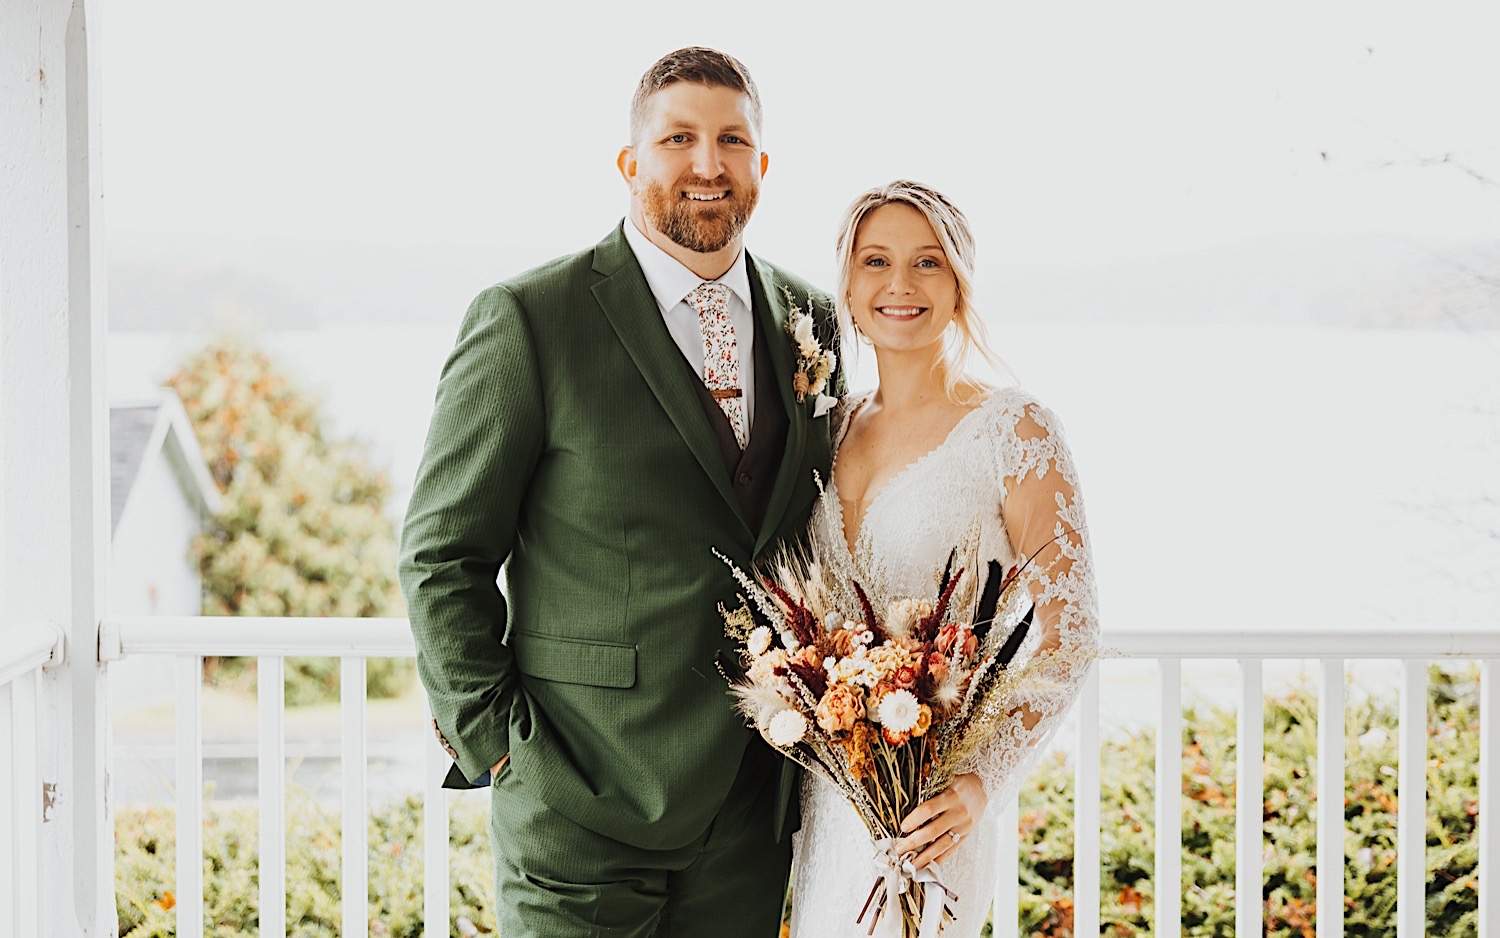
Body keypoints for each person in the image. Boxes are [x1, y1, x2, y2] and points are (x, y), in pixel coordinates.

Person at [398, 46, 844, 937]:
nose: (708, 164)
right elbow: (441, 553)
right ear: (630, 163)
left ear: (761, 165)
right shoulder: (531, 319)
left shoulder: (813, 319)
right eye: (679, 137)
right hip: (580, 803)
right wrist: (498, 748)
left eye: (732, 141)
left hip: (753, 808)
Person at [788, 181, 1100, 936]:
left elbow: (1072, 631)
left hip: (935, 813)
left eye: (927, 262)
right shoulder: (822, 430)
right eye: (876, 261)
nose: (900, 284)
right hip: (825, 808)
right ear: (848, 286)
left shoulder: (1014, 429)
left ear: (959, 281)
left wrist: (978, 782)